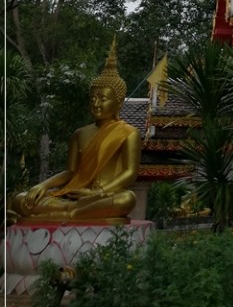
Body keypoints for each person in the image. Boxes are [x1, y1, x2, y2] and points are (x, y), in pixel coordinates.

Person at [9, 40, 140, 224]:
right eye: (93, 97)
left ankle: (68, 214)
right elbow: (70, 172)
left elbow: (130, 173)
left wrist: (97, 193)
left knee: (127, 199)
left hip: (103, 195)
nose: (96, 103)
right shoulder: (80, 134)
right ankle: (72, 212)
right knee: (20, 199)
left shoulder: (128, 132)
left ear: (118, 103)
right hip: (73, 196)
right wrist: (43, 185)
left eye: (103, 98)